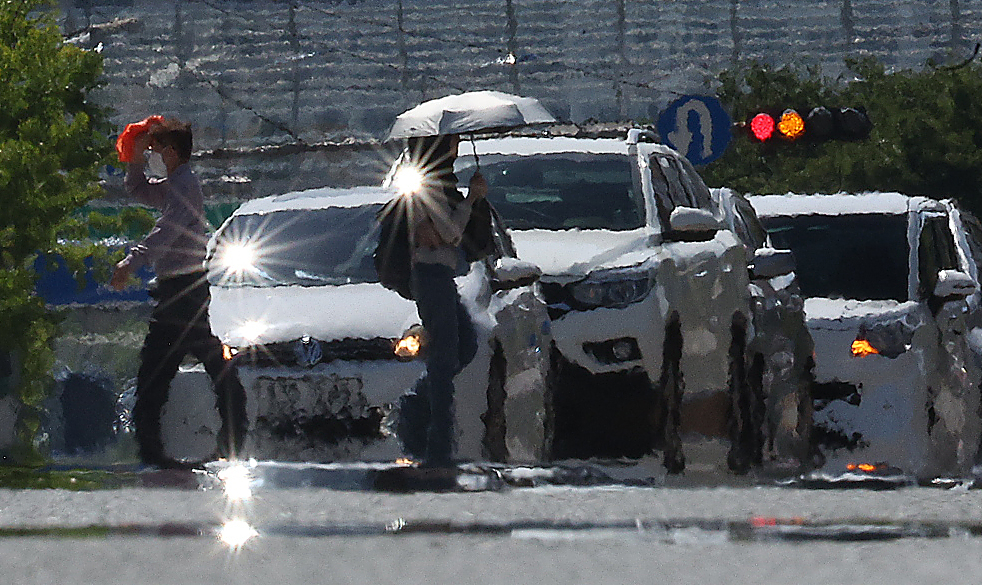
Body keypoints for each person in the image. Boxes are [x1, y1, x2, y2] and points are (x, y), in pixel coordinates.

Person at [110, 118, 247, 469]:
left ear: (172, 151)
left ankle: (155, 447)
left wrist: (130, 263)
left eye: (157, 149)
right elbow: (139, 190)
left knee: (158, 370)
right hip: (181, 289)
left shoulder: (184, 185)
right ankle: (229, 436)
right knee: (201, 362)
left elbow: (165, 231)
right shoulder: (177, 184)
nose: (154, 153)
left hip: (182, 292)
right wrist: (135, 159)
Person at [396, 134, 486, 467]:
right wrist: (471, 200)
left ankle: (417, 403)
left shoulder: (440, 183)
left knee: (465, 345)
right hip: (431, 277)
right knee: (445, 356)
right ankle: (437, 443)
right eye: (452, 142)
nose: (457, 147)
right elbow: (448, 233)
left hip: (441, 277)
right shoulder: (427, 186)